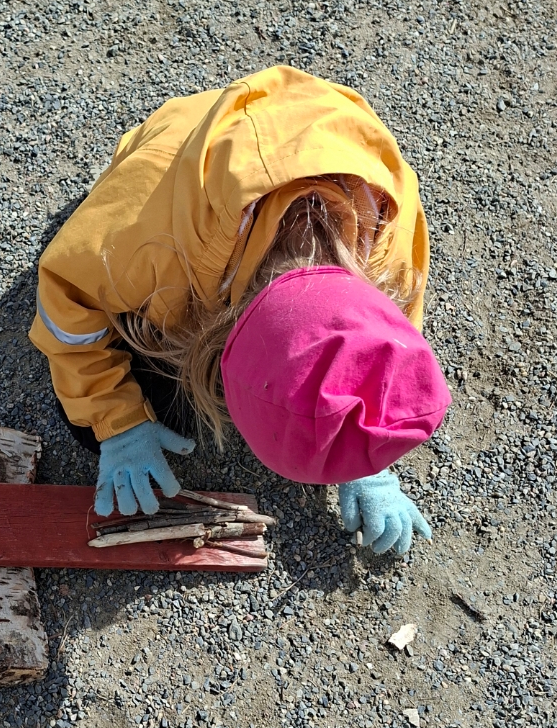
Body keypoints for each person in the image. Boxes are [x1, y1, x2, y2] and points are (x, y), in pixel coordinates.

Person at [29, 65, 451, 556]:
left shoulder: (390, 251)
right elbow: (66, 296)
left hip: (304, 144)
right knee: (136, 415)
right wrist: (117, 423)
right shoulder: (147, 243)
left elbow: (383, 355)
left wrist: (366, 457)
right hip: (177, 158)